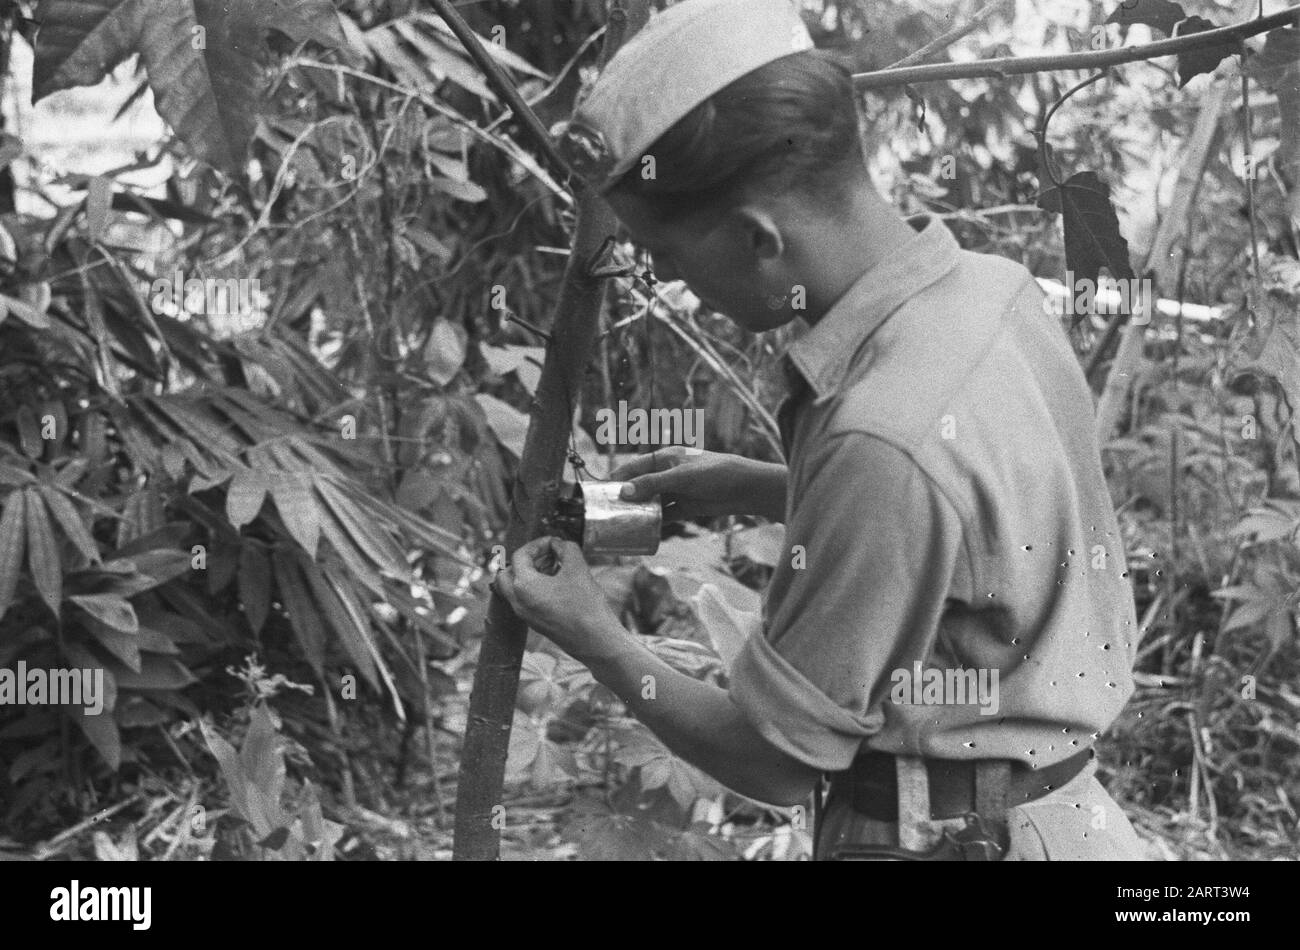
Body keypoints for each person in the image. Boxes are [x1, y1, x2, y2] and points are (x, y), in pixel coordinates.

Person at [494, 0, 1146, 860]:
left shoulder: (878, 440)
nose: (665, 277)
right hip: (1067, 823)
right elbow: (981, 528)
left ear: (760, 238)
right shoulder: (994, 292)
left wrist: (595, 636)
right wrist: (763, 485)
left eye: (669, 254)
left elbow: (774, 764)